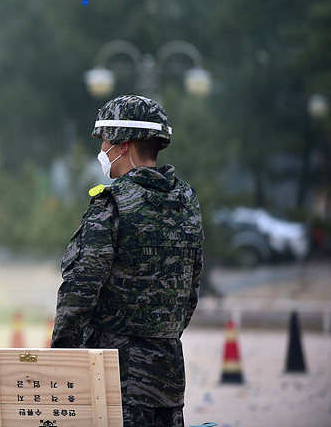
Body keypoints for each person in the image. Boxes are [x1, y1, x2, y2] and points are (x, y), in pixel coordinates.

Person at [50, 95, 204, 427]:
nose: (102, 149)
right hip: (169, 379)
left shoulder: (112, 205)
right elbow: (190, 292)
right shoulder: (187, 203)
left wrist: (61, 359)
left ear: (125, 144)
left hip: (116, 380)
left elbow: (80, 291)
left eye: (105, 140)